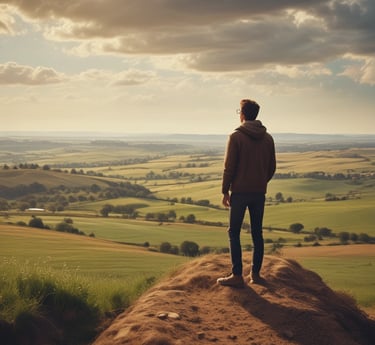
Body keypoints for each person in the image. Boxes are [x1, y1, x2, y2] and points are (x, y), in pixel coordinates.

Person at [217, 99, 276, 288]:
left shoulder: (235, 136)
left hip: (240, 193)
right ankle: (256, 275)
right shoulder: (268, 138)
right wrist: (260, 182)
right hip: (259, 193)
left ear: (242, 114)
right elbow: (272, 167)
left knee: (234, 232)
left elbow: (229, 167)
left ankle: (236, 275)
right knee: (257, 233)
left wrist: (225, 190)